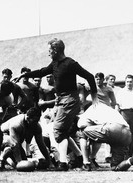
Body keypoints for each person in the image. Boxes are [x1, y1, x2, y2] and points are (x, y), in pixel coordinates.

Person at [15, 38, 98, 171]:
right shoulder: (54, 63)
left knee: (58, 130)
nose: (48, 53)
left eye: (49, 51)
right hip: (60, 100)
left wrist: (94, 97)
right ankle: (80, 158)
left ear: (55, 50)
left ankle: (63, 163)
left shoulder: (70, 63)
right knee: (61, 131)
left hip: (70, 100)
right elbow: (42, 72)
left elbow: (90, 76)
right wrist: (25, 74)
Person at [78, 103, 133, 172]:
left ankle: (86, 162)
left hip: (113, 129)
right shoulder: (108, 109)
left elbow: (80, 125)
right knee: (115, 167)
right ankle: (132, 160)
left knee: (82, 131)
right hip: (127, 133)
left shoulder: (89, 111)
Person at [116, 75, 133, 157]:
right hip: (125, 113)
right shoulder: (121, 92)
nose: (129, 83)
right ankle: (123, 155)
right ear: (125, 82)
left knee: (132, 135)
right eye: (127, 81)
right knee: (125, 134)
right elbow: (118, 105)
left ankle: (130, 155)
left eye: (130, 81)